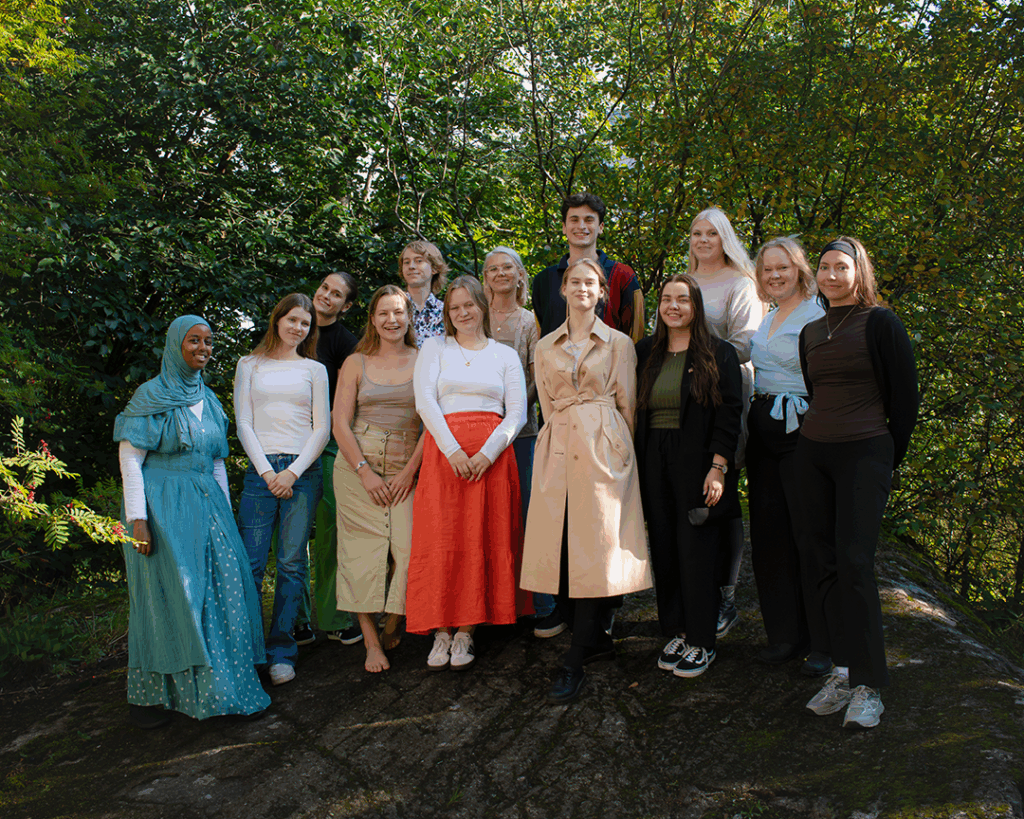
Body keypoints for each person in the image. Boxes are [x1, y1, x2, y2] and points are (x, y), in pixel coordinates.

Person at [115, 315, 270, 728]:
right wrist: (137, 520)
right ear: (175, 345)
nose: (203, 348)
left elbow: (216, 462)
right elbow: (130, 459)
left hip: (208, 503)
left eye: (209, 341)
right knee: (175, 596)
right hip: (163, 506)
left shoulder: (210, 400)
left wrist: (225, 513)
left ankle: (222, 690)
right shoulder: (151, 395)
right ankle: (156, 697)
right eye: (193, 340)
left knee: (226, 587)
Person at [797, 237, 919, 729]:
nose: (831, 275)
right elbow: (814, 390)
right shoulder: (810, 330)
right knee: (823, 563)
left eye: (841, 267)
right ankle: (843, 671)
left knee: (855, 562)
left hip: (865, 451)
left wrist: (886, 459)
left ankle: (870, 686)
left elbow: (905, 398)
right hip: (813, 454)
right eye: (824, 267)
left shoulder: (881, 323)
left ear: (859, 272)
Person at [521, 258, 651, 704]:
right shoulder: (545, 346)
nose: (581, 288)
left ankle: (575, 658)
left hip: (604, 446)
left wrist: (625, 457)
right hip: (558, 445)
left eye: (590, 283)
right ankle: (594, 640)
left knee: (596, 547)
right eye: (573, 281)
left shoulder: (619, 343)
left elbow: (628, 403)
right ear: (562, 290)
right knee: (559, 547)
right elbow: (545, 403)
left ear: (601, 292)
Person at [407, 274, 528, 671]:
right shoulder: (435, 348)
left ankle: (466, 631)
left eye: (469, 305)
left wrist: (488, 453)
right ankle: (441, 629)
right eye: (454, 307)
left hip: (492, 460)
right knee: (442, 538)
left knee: (481, 538)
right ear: (447, 312)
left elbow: (517, 413)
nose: (462, 313)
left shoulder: (504, 354)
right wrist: (454, 451)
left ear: (482, 306)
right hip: (445, 456)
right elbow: (425, 402)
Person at [635, 275, 743, 678]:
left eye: (682, 299)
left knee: (697, 548)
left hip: (697, 459)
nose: (673, 306)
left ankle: (703, 641)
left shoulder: (719, 352)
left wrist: (718, 466)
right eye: (666, 299)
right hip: (653, 457)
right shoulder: (645, 351)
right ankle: (678, 630)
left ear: (696, 306)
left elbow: (730, 411)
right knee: (664, 545)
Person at [234, 293, 329, 686]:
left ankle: (281, 652)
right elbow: (243, 422)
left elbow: (321, 429)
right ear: (277, 320)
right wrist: (267, 472)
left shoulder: (314, 369)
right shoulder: (249, 364)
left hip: (302, 473)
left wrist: (290, 473)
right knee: (251, 565)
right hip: (260, 472)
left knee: (291, 564)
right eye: (292, 320)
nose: (298, 328)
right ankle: (248, 651)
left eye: (305, 323)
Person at [333, 285, 424, 672]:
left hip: (406, 467)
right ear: (372, 319)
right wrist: (365, 472)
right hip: (357, 470)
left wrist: (410, 471)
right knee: (360, 556)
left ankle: (393, 620)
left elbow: (432, 423)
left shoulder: (425, 360)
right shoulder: (356, 362)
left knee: (409, 550)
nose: (392, 320)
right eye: (383, 313)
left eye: (399, 312)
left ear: (409, 317)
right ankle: (371, 642)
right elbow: (340, 423)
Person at [747, 238, 826, 669]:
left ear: (799, 269)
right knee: (769, 534)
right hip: (762, 433)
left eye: (782, 267)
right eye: (767, 269)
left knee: (807, 535)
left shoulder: (818, 315)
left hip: (802, 432)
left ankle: (821, 641)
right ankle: (783, 635)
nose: (774, 275)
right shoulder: (768, 317)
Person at [687, 207, 764, 639]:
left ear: (725, 239)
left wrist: (699, 362)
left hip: (725, 395)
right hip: (685, 402)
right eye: (696, 233)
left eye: (711, 233)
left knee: (724, 493)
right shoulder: (686, 282)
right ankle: (697, 590)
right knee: (693, 489)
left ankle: (726, 598)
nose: (703, 240)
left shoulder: (741, 283)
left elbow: (746, 344)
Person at [481, 246, 557, 636]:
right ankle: (491, 602)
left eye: (507, 267)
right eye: (493, 268)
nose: (500, 273)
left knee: (526, 514)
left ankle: (539, 603)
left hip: (520, 432)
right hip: (478, 434)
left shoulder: (529, 321)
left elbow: (535, 377)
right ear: (485, 277)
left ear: (520, 274)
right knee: (488, 518)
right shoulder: (476, 316)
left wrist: (510, 414)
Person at [292, 270, 364, 648]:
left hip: (329, 446)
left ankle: (334, 617)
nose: (326, 296)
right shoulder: (292, 328)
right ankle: (295, 620)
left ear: (346, 306)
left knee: (331, 532)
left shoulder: (345, 343)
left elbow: (348, 402)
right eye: (324, 288)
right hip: (287, 442)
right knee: (290, 533)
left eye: (337, 294)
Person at [532, 192, 645, 343]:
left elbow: (636, 336)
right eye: (574, 220)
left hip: (612, 358)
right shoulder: (543, 280)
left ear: (601, 227)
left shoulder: (622, 276)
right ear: (564, 227)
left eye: (589, 220)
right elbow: (541, 335)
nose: (581, 226)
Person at [399, 239, 449, 347]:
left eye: (419, 261)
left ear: (434, 268)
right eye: (406, 262)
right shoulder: (394, 307)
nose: (411, 266)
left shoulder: (446, 312)